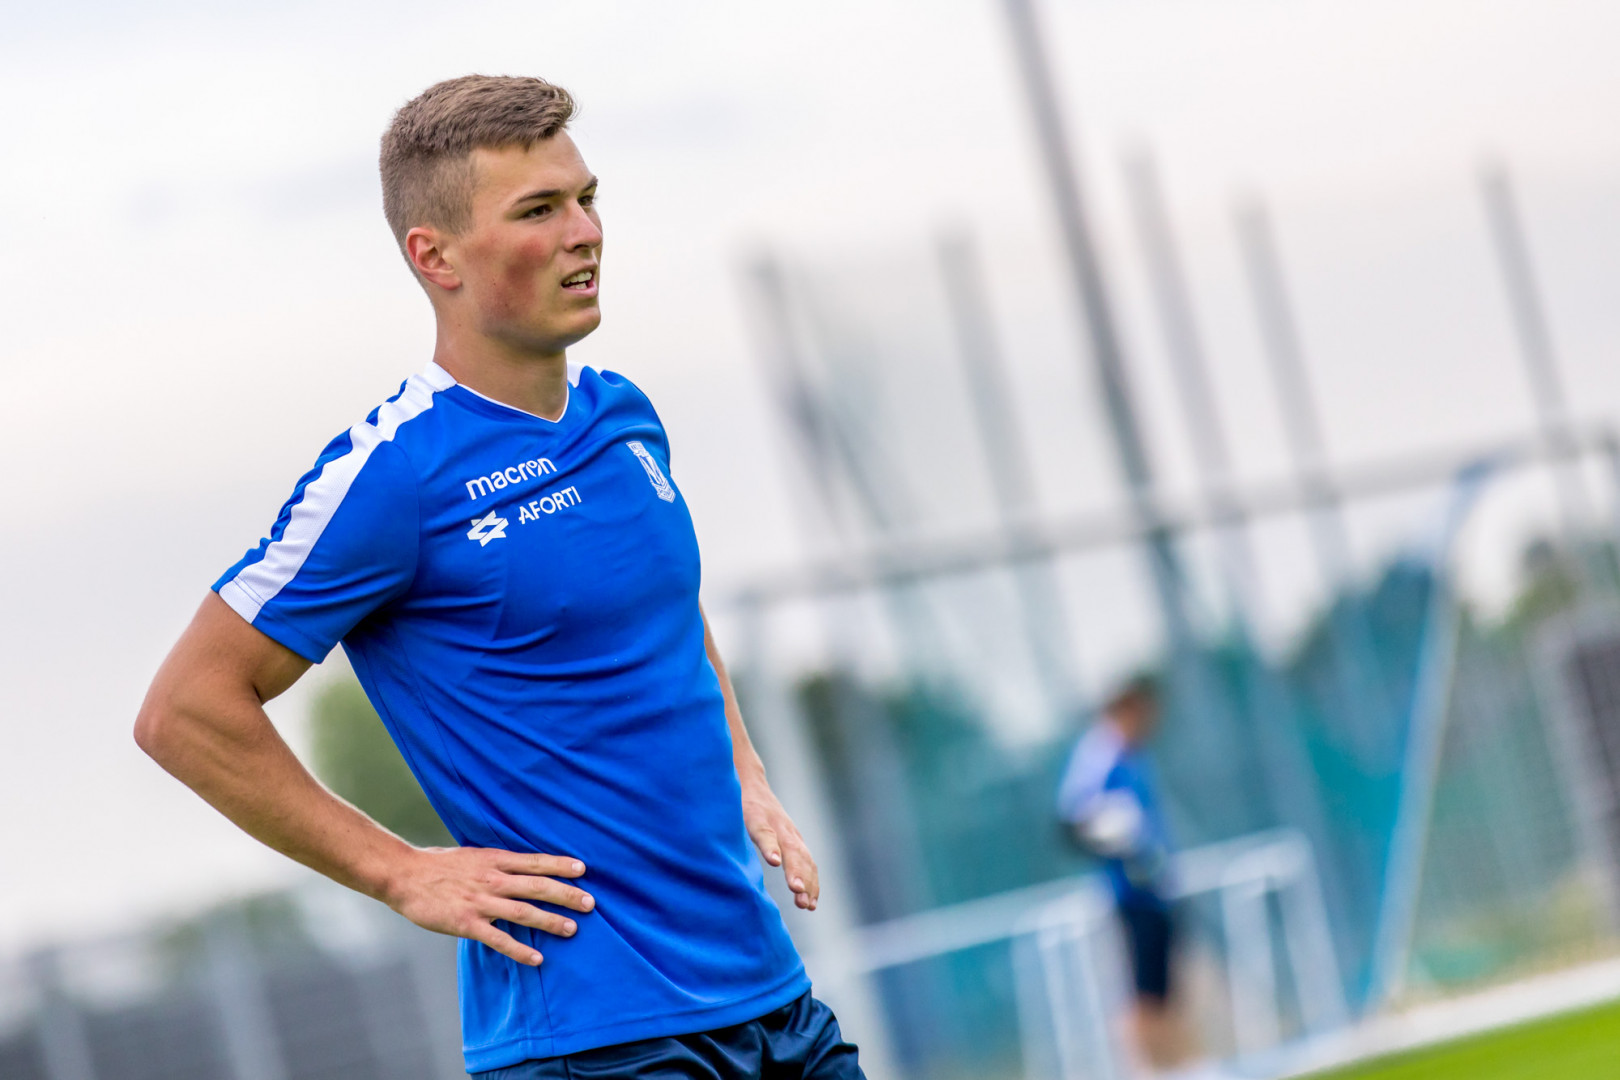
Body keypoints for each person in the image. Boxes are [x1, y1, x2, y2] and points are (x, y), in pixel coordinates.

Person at [135, 74, 863, 1079]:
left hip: (774, 999)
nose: (585, 233)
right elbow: (184, 711)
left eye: (586, 198)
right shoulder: (392, 475)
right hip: (595, 1040)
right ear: (434, 256)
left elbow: (666, 610)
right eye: (538, 210)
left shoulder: (623, 413)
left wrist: (748, 770)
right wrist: (399, 873)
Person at [1056, 675, 1185, 1070]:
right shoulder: (1099, 755)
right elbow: (1070, 821)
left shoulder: (1133, 755)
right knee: (1142, 988)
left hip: (1155, 885)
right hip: (1129, 891)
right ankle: (1147, 1070)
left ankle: (1171, 1066)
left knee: (1163, 984)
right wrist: (1115, 836)